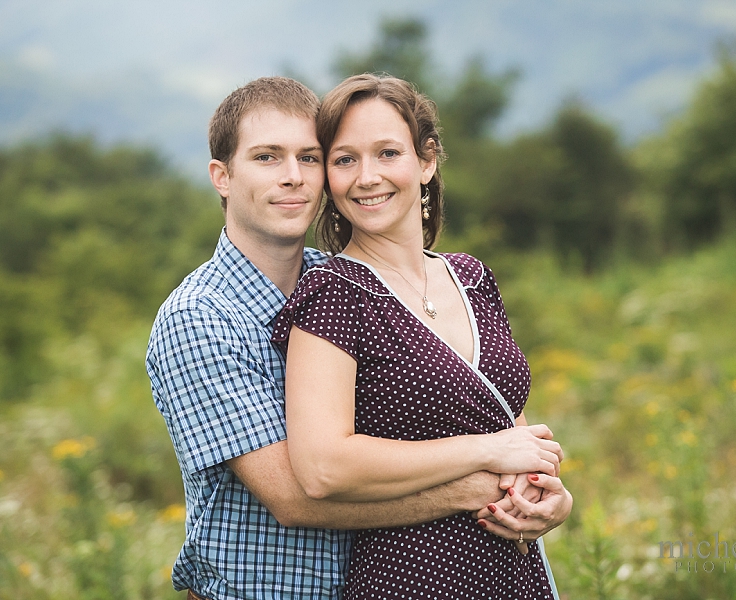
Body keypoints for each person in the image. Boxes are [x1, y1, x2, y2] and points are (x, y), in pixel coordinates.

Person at [146, 76, 570, 600]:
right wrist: (474, 487)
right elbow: (297, 498)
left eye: (310, 157)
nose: (293, 177)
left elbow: (485, 420)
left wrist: (541, 492)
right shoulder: (199, 320)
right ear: (222, 176)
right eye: (267, 158)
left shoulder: (353, 283)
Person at [272, 74, 572, 599]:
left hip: (515, 573)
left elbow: (512, 432)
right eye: (344, 160)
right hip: (413, 575)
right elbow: (322, 467)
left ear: (427, 161)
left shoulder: (472, 277)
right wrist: (487, 450)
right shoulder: (334, 293)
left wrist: (551, 496)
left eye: (387, 153)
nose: (367, 177)